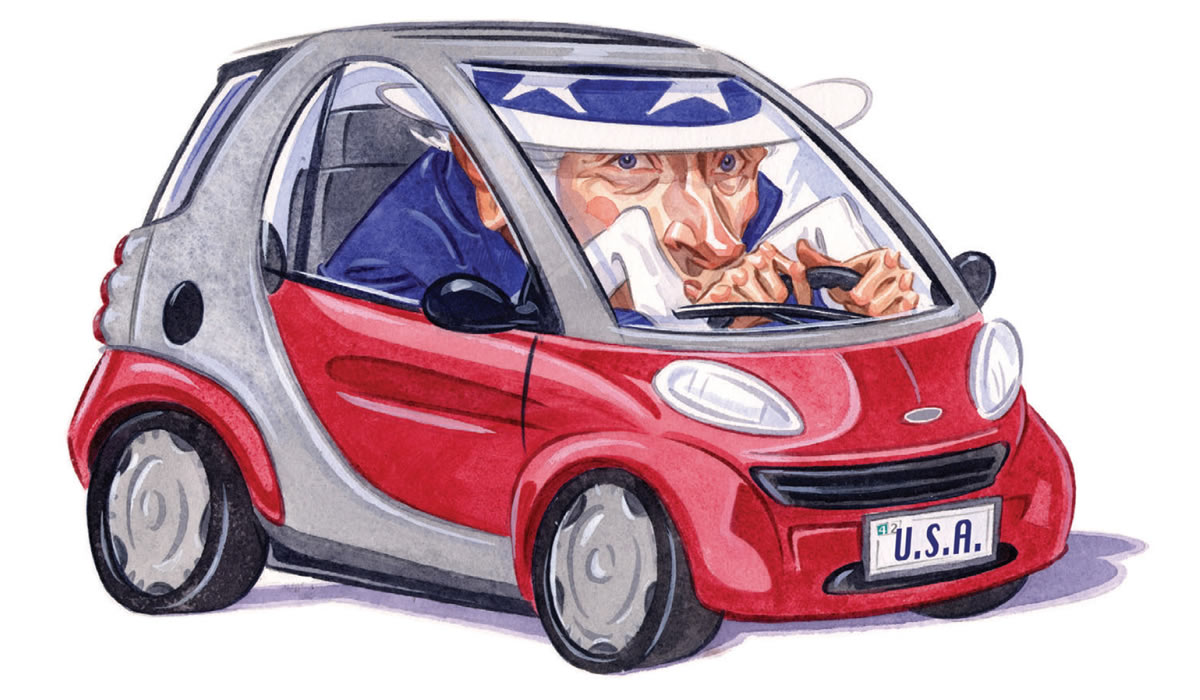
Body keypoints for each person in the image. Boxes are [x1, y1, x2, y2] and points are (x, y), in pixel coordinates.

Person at [323, 71, 919, 326]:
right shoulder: (387, 278)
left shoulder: (755, 207)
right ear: (490, 180)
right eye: (629, 164)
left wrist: (851, 308)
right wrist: (640, 318)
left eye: (726, 164)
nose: (718, 242)